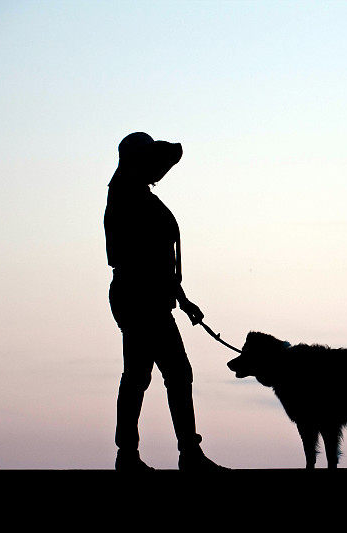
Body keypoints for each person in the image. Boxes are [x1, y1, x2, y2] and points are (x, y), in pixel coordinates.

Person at [104, 131, 226, 471]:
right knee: (168, 373)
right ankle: (183, 454)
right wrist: (176, 296)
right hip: (140, 297)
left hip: (146, 296)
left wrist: (182, 300)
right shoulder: (128, 197)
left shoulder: (134, 194)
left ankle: (132, 454)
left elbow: (159, 259)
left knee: (141, 376)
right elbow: (142, 257)